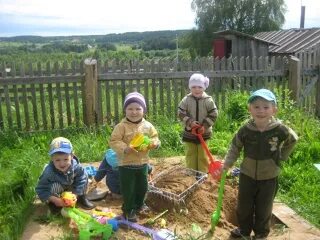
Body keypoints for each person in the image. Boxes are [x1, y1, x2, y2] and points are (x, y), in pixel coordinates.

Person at [222, 89, 298, 240]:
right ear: (249, 109)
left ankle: (261, 234)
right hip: (247, 175)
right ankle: (244, 230)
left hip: (269, 177)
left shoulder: (279, 129)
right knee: (244, 206)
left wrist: (282, 156)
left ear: (274, 109)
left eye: (266, 107)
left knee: (264, 208)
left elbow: (293, 139)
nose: (261, 111)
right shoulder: (245, 130)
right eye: (256, 107)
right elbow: (235, 147)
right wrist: (227, 164)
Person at [109, 92, 160, 222]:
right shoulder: (121, 127)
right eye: (130, 109)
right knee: (128, 188)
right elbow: (114, 141)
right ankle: (129, 209)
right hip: (126, 164)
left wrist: (155, 143)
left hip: (143, 163)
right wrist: (125, 148)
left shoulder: (147, 126)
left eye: (138, 108)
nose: (134, 112)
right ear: (125, 110)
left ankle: (140, 204)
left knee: (142, 186)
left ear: (143, 110)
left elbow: (155, 137)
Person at [36, 137, 95, 215]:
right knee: (53, 186)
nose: (62, 164)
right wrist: (54, 199)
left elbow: (82, 179)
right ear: (52, 159)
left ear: (72, 156)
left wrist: (76, 194)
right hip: (59, 188)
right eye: (57, 160)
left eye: (65, 159)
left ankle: (81, 197)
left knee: (84, 175)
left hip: (71, 184)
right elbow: (41, 189)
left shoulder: (76, 166)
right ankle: (54, 204)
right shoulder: (49, 172)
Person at [178, 73, 218, 173]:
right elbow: (180, 112)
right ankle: (191, 171)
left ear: (204, 87)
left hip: (203, 132)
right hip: (190, 131)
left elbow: (214, 114)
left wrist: (204, 126)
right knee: (191, 152)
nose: (197, 89)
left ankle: (202, 172)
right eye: (194, 87)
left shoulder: (208, 100)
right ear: (190, 87)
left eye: (200, 87)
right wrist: (190, 122)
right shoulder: (186, 99)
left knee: (203, 153)